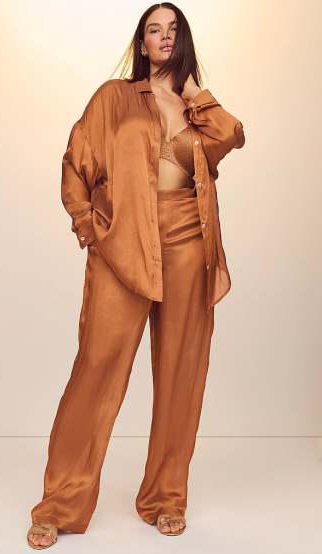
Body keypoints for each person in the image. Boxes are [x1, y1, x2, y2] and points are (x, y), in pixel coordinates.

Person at [27, 2, 245, 549]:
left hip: (188, 241)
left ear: (183, 40)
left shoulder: (197, 109)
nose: (164, 37)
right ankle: (60, 504)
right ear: (141, 42)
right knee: (97, 367)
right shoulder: (114, 98)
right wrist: (89, 225)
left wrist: (195, 92)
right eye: (154, 29)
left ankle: (166, 497)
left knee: (181, 374)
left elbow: (232, 135)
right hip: (124, 243)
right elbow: (76, 162)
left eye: (173, 30)